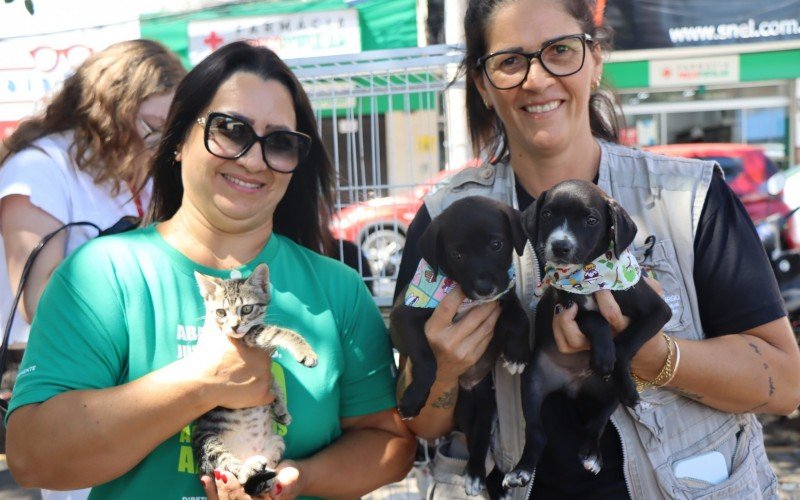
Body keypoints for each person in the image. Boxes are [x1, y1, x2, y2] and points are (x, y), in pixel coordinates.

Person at [393, 0, 800, 498]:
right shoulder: (446, 221)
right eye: (510, 61)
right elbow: (424, 426)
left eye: (560, 50)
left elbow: (785, 382)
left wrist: (653, 356)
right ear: (482, 83)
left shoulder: (687, 197)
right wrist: (444, 373)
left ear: (596, 58)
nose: (537, 79)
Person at [5, 41, 415, 499]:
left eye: (280, 143)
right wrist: (200, 383)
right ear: (178, 139)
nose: (253, 159)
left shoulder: (337, 288)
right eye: (230, 130)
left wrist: (295, 481)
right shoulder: (102, 275)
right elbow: (31, 457)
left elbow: (389, 445)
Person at [0, 38, 186, 500]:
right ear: (109, 109)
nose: (158, 143)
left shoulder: (126, 171)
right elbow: (39, 301)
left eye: (169, 131)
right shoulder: (38, 168)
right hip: (64, 386)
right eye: (150, 125)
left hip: (127, 381)